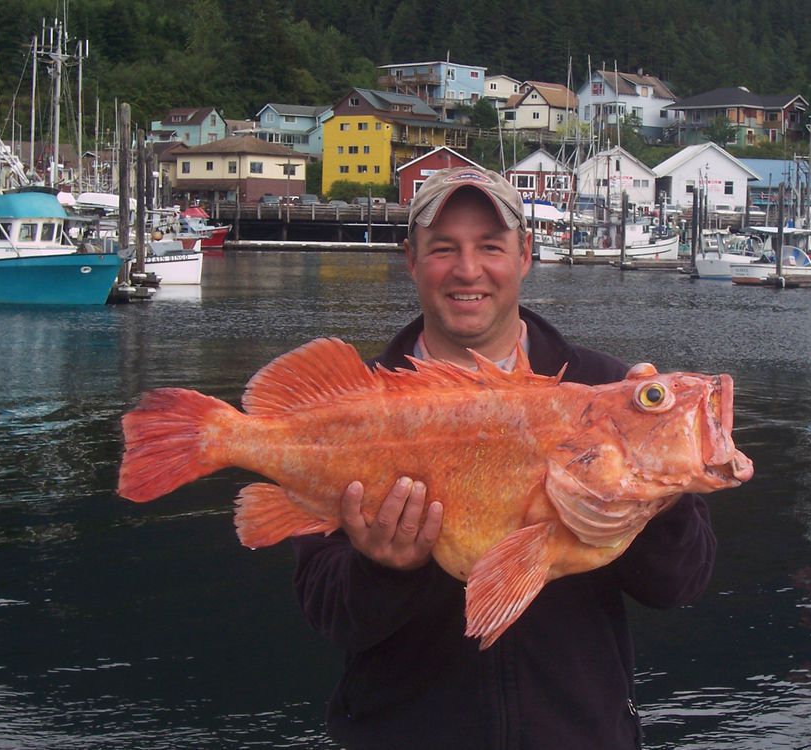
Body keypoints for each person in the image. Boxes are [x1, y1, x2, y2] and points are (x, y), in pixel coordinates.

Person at [291, 167, 716, 750]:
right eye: (444, 249)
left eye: (491, 247)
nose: (468, 270)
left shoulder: (608, 392)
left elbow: (679, 587)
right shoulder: (351, 411)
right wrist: (382, 569)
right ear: (411, 260)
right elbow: (330, 614)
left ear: (525, 255)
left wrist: (660, 498)